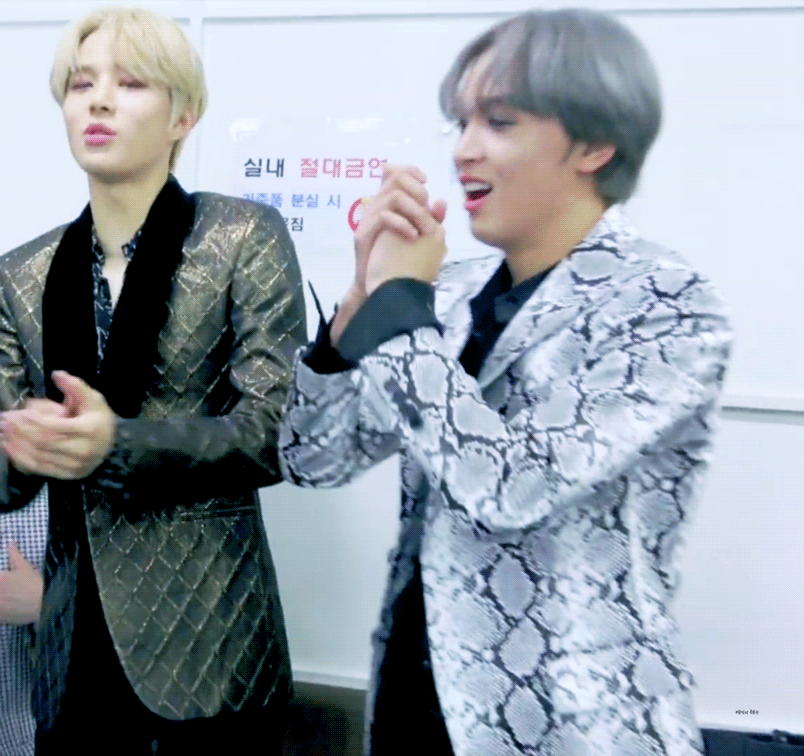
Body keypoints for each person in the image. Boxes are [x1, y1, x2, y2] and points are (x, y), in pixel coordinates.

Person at [279, 8, 732, 756]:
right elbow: (313, 459)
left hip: (574, 728)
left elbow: (510, 487)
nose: (464, 150)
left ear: (595, 142)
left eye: (499, 122)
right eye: (460, 124)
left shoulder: (665, 305)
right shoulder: (449, 294)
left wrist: (400, 310)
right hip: (415, 713)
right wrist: (354, 315)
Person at [0, 7, 306, 755]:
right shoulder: (21, 274)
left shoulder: (242, 236)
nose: (99, 101)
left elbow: (278, 431)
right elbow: (5, 478)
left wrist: (116, 444)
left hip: (213, 645)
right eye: (81, 84)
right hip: (70, 656)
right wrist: (23, 450)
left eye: (130, 83)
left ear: (183, 115)